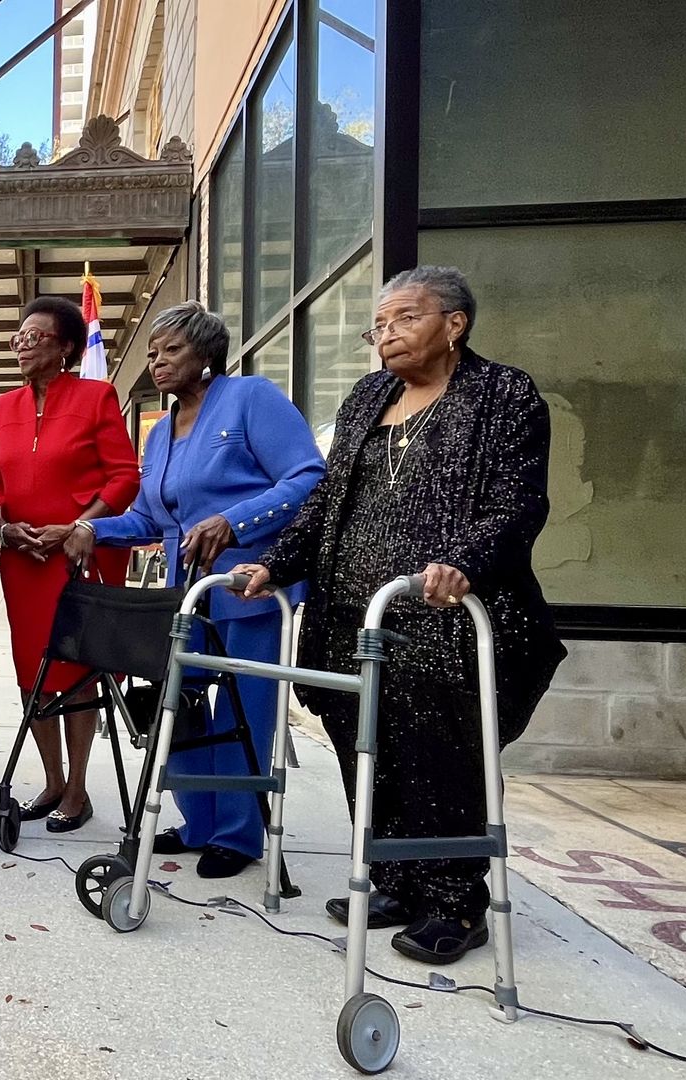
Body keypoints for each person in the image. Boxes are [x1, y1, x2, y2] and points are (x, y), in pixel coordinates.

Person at [233, 266, 566, 963]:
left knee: (443, 758)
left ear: (454, 323)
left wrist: (464, 562)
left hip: (442, 616)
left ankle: (455, 900)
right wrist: (277, 564)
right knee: (367, 750)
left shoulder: (503, 394)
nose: (387, 334)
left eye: (404, 318)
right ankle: (395, 877)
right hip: (352, 619)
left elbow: (518, 503)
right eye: (379, 323)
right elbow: (326, 504)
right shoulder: (367, 398)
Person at [66, 301, 324, 876]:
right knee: (179, 706)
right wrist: (90, 526)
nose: (157, 362)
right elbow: (152, 520)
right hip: (186, 597)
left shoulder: (250, 399)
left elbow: (307, 476)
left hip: (251, 587)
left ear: (206, 354)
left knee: (244, 710)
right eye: (153, 352)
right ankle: (198, 821)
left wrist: (237, 521)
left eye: (171, 350)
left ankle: (238, 833)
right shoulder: (161, 435)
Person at [0, 297, 139, 833]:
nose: (23, 343)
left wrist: (79, 526)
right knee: (33, 669)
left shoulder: (96, 397)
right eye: (18, 337)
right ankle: (50, 779)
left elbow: (123, 477)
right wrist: (5, 526)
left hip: (77, 556)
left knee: (74, 671)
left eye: (36, 336)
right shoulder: (1, 407)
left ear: (66, 346)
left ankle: (77, 787)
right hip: (23, 558)